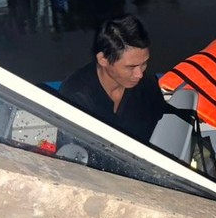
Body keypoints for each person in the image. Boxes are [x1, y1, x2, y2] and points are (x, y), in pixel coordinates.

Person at [58, 15, 168, 144]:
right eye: (131, 67)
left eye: (143, 64)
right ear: (103, 60)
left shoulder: (148, 85)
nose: (139, 74)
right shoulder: (75, 95)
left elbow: (163, 131)